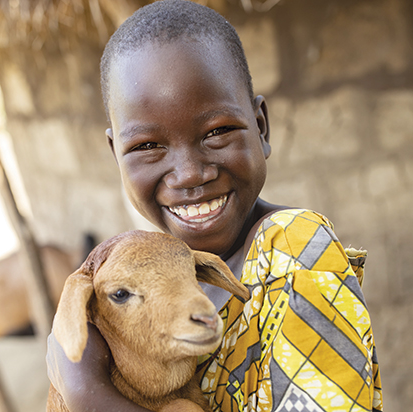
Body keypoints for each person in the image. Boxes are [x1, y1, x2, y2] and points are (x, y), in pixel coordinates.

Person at [46, 1, 383, 411]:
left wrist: (88, 395)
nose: (189, 174)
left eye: (217, 131)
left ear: (260, 127)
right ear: (116, 154)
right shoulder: (165, 272)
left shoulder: (296, 251)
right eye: (147, 146)